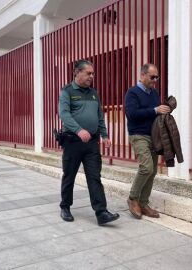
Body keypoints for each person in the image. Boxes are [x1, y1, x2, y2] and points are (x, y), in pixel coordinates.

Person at [58, 59, 120, 226]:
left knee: (94, 177)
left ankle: (101, 213)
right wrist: (79, 130)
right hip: (72, 141)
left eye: (92, 73)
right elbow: (64, 114)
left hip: (91, 143)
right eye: (88, 73)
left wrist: (105, 135)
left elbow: (99, 116)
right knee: (69, 175)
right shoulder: (67, 91)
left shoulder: (94, 93)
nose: (92, 76)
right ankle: (65, 207)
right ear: (77, 73)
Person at [124, 63, 170, 219]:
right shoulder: (132, 93)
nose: (155, 80)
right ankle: (132, 198)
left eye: (157, 77)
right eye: (152, 77)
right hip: (138, 135)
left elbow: (155, 114)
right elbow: (132, 115)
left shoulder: (154, 93)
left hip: (154, 136)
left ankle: (143, 203)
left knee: (153, 171)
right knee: (146, 167)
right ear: (142, 75)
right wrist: (155, 110)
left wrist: (165, 109)